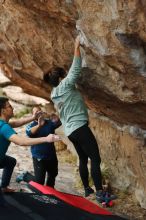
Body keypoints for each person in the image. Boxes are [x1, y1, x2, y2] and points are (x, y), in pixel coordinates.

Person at [43, 36, 104, 201]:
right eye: (64, 74)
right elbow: (76, 69)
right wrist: (76, 45)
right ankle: (100, 192)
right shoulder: (66, 85)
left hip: (70, 131)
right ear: (61, 78)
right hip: (79, 127)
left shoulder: (54, 94)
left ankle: (87, 190)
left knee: (83, 158)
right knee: (95, 158)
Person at [0, 97, 60, 197]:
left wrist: (33, 117)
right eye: (9, 106)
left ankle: (4, 187)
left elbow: (15, 123)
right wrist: (46, 139)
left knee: (10, 161)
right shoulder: (4, 127)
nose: (12, 108)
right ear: (3, 110)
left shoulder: (4, 124)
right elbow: (21, 141)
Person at [16, 106, 61, 188]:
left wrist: (52, 114)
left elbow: (58, 122)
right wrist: (39, 125)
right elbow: (30, 133)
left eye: (40, 111)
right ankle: (25, 176)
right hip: (39, 157)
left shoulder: (49, 122)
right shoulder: (31, 126)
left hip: (51, 156)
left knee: (53, 175)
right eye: (36, 112)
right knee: (39, 182)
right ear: (33, 115)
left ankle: (50, 193)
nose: (39, 113)